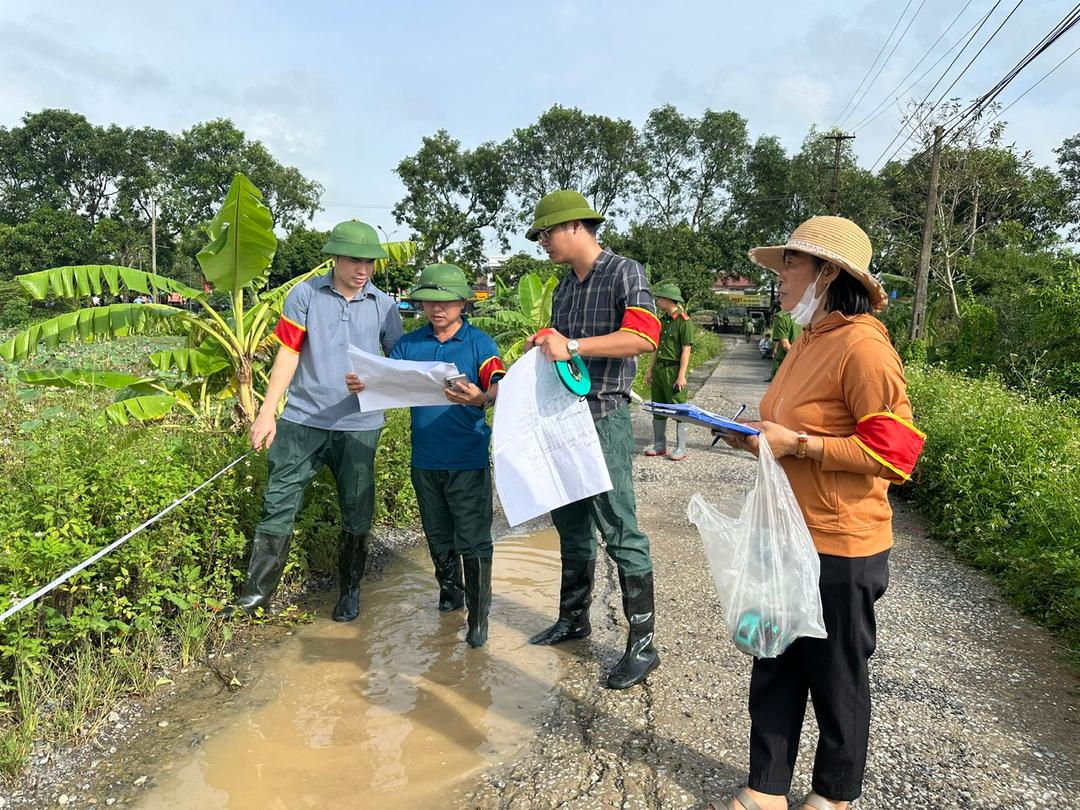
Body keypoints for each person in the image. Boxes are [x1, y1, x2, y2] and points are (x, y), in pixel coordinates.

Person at [711, 216, 925, 810]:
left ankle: (833, 796)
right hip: (785, 534)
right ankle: (765, 788)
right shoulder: (806, 341)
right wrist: (750, 434)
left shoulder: (864, 347)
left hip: (840, 542)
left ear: (828, 273)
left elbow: (896, 454)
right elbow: (790, 426)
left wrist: (799, 445)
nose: (777, 278)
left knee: (836, 677)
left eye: (789, 266)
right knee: (774, 660)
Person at [222, 220, 403, 622]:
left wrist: (377, 381)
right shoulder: (304, 295)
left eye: (370, 262)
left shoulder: (385, 306)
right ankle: (255, 597)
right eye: (356, 260)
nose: (364, 269)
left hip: (360, 424)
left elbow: (397, 363)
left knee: (357, 509)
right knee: (278, 501)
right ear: (335, 257)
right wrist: (267, 412)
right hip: (302, 419)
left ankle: (350, 591)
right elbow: (288, 352)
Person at [525, 189, 663, 690]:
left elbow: (645, 339)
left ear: (576, 227)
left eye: (547, 233)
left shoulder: (625, 273)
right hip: (564, 420)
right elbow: (562, 351)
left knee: (619, 527)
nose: (543, 242)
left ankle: (643, 645)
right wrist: (546, 342)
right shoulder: (564, 289)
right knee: (571, 523)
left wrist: (573, 344)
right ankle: (574, 618)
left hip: (603, 418)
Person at [348, 263, 505, 647]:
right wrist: (362, 383)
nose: (437, 309)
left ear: (463, 303)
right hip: (425, 460)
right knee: (437, 534)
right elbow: (389, 380)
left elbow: (500, 384)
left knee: (473, 538)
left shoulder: (479, 344)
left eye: (446, 302)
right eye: (429, 302)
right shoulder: (409, 344)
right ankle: (450, 597)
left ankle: (478, 617)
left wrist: (482, 398)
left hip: (467, 457)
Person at [644, 281, 695, 461]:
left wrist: (681, 375)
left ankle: (681, 447)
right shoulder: (662, 321)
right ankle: (660, 445)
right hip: (659, 370)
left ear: (668, 300)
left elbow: (686, 350)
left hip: (673, 371)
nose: (657, 301)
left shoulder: (684, 322)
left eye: (660, 298)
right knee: (657, 407)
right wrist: (650, 370)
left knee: (679, 409)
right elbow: (657, 348)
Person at [767, 305, 801, 382]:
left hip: (785, 362)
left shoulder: (781, 316)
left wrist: (797, 357)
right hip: (803, 364)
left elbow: (784, 344)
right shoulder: (806, 316)